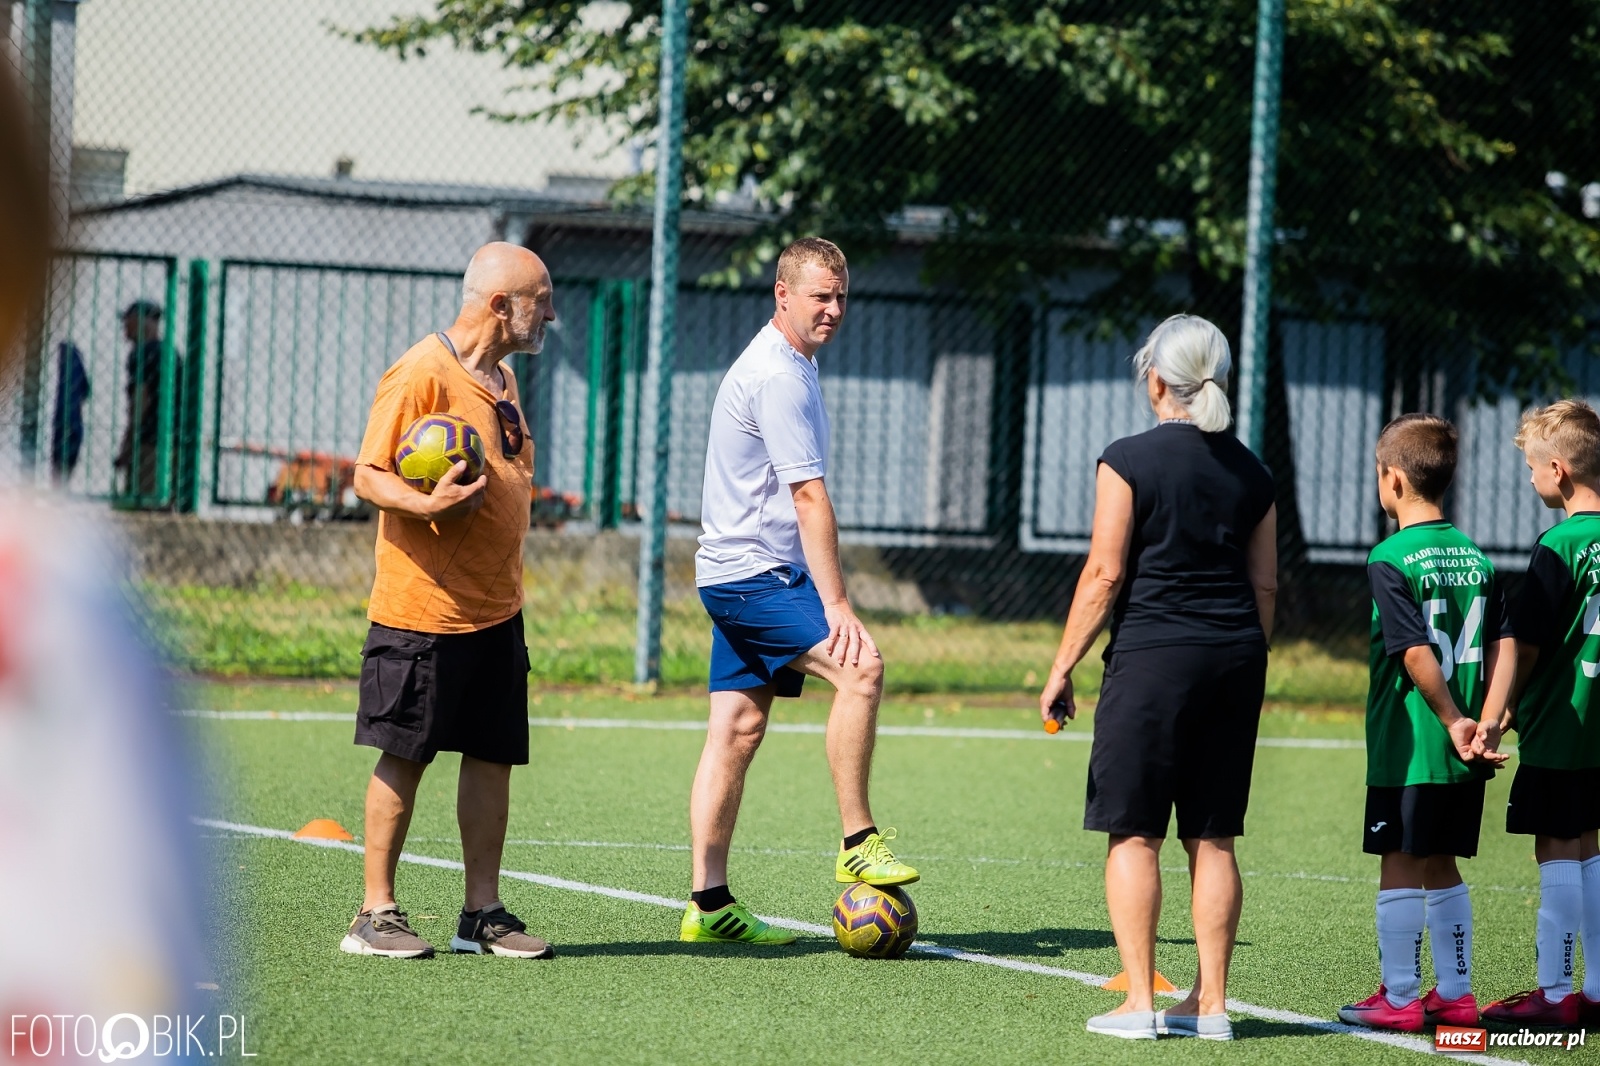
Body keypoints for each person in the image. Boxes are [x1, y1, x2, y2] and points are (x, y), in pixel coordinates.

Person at [1036, 314, 1276, 1042]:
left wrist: (1061, 667)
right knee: (1213, 836)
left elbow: (1105, 572)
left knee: (1134, 831)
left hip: (1151, 660)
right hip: (1236, 659)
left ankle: (1139, 1002)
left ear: (1156, 380)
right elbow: (1265, 589)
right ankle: (1211, 1007)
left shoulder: (1127, 459)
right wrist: (1241, 658)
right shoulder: (1254, 471)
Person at [682, 237, 917, 946]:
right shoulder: (779, 376)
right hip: (753, 576)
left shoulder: (792, 364)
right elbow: (810, 498)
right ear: (782, 294)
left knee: (736, 730)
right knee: (861, 667)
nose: (834, 309)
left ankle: (708, 904)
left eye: (842, 296)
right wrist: (837, 604)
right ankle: (858, 839)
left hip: (741, 573)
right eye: (821, 296)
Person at [345, 241, 554, 960]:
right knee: (404, 755)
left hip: (497, 608)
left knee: (492, 756)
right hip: (422, 609)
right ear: (502, 305)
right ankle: (375, 915)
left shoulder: (501, 380)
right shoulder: (419, 372)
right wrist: (429, 505)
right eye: (541, 302)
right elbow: (369, 476)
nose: (549, 316)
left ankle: (481, 913)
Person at [1336, 414, 1513, 1033]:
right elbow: (1500, 647)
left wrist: (1454, 719)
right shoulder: (1477, 557)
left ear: (1393, 480)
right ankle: (1457, 995)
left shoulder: (1390, 556)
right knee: (1442, 862)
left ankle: (1403, 996)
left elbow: (1413, 652)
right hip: (1466, 750)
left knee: (1399, 859)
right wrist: (1491, 717)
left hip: (1413, 744)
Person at [1479, 400, 1600, 1028]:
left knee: (1557, 848)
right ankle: (1599, 989)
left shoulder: (1561, 544)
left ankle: (1553, 995)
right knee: (1590, 846)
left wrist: (1493, 716)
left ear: (1560, 470)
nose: (1528, 479)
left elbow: (1523, 646)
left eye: (1531, 467)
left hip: (1560, 724)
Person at [113, 299, 166, 502]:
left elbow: (139, 404)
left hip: (149, 443)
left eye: (129, 320)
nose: (125, 326)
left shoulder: (142, 354)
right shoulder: (169, 352)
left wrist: (127, 446)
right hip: (173, 442)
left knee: (140, 500)